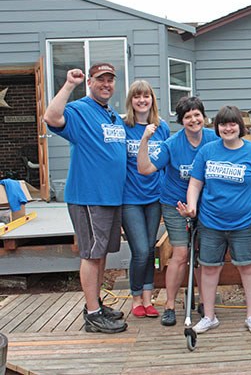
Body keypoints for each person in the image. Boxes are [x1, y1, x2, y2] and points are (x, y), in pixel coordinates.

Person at [178, 105, 251, 335]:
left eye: (232, 123)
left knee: (248, 266)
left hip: (243, 223)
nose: (228, 128)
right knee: (209, 268)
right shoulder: (207, 151)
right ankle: (209, 317)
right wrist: (192, 207)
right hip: (210, 222)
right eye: (223, 124)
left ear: (240, 126)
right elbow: (195, 183)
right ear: (217, 128)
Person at [43, 63, 127, 333]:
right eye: (100, 79)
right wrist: (69, 85)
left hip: (111, 197)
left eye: (110, 80)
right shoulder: (80, 110)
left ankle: (97, 304)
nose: (106, 84)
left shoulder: (110, 113)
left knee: (100, 255)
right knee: (91, 255)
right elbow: (52, 118)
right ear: (90, 82)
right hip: (89, 196)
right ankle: (92, 314)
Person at [137, 96, 218, 326]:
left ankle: (205, 302)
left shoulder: (214, 139)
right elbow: (145, 169)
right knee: (181, 255)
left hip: (206, 205)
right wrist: (145, 140)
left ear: (203, 116)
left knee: (205, 256)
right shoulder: (172, 144)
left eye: (197, 115)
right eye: (188, 117)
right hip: (175, 203)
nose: (194, 120)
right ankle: (170, 305)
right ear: (182, 121)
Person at [122, 80, 170, 318]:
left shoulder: (162, 128)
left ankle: (148, 299)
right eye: (137, 96)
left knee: (150, 249)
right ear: (131, 101)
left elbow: (166, 163)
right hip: (129, 197)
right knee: (140, 250)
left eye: (146, 96)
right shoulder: (123, 126)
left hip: (155, 197)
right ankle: (135, 296)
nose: (142, 100)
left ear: (152, 99)